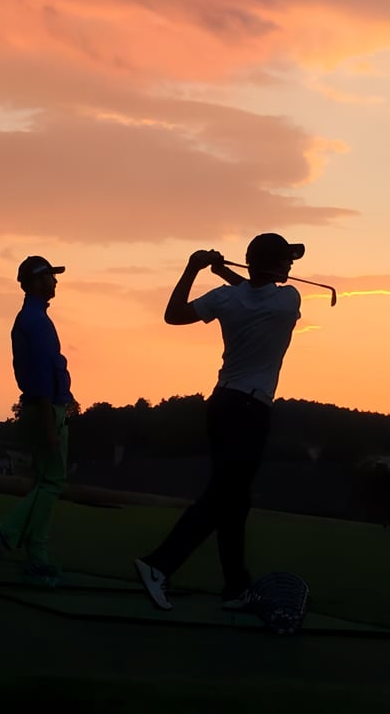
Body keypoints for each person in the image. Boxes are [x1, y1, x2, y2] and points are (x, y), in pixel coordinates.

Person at [134, 233, 304, 610]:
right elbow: (254, 292)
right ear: (274, 266)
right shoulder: (288, 300)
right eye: (287, 260)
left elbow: (174, 314)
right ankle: (158, 565)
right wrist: (223, 271)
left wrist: (195, 269)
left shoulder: (226, 299)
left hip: (222, 404)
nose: (292, 266)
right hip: (251, 410)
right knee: (223, 497)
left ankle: (235, 588)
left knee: (235, 500)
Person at [0, 255, 74, 580]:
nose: (55, 281)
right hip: (44, 410)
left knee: (45, 482)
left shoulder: (34, 318)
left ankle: (37, 554)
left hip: (44, 408)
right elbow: (39, 377)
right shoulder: (34, 321)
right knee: (51, 483)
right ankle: (4, 533)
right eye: (50, 276)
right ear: (35, 282)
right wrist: (51, 422)